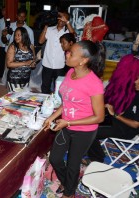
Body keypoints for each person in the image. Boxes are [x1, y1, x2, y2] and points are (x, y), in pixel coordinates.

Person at [43, 40, 105, 197]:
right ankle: (68, 182)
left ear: (83, 60)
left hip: (84, 130)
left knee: (72, 164)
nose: (67, 53)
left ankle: (69, 193)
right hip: (66, 124)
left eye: (71, 53)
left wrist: (68, 122)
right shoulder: (71, 73)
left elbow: (99, 117)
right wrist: (51, 117)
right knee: (56, 158)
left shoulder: (94, 84)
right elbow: (67, 102)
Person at [87, 54, 139, 163]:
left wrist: (115, 114)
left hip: (126, 130)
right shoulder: (136, 92)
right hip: (118, 121)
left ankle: (97, 158)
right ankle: (89, 150)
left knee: (89, 131)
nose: (135, 81)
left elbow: (136, 124)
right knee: (88, 121)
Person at [39, 11, 75, 94]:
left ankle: (56, 104)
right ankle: (45, 104)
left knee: (59, 87)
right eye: (60, 17)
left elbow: (73, 35)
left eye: (64, 18)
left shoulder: (66, 32)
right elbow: (40, 41)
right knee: (45, 86)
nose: (61, 20)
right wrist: (46, 27)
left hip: (60, 65)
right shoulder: (50, 29)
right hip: (47, 63)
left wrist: (67, 22)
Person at [0, 7, 34, 86]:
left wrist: (33, 58)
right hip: (9, 54)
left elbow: (31, 46)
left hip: (23, 55)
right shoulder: (10, 26)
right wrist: (3, 35)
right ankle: (9, 88)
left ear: (25, 17)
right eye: (20, 16)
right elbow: (5, 41)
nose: (22, 18)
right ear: (16, 15)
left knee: (22, 74)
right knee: (8, 73)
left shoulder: (29, 30)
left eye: (24, 16)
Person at [6, 27, 36, 91]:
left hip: (26, 78)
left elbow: (33, 60)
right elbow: (9, 64)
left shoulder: (31, 46)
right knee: (15, 98)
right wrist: (25, 63)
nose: (16, 37)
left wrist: (33, 64)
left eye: (18, 35)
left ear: (24, 35)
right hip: (14, 78)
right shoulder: (13, 47)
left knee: (23, 98)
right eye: (15, 35)